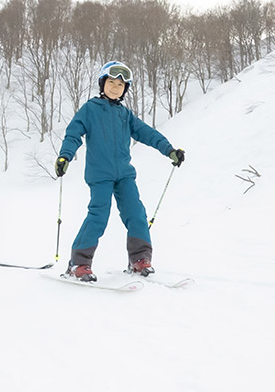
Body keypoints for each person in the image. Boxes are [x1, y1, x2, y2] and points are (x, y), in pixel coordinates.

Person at [54, 60, 184, 282]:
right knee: (99, 215)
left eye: (121, 85)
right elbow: (73, 133)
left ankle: (139, 259)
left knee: (136, 213)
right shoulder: (90, 109)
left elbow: (147, 133)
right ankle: (79, 263)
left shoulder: (125, 115)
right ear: (102, 83)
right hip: (100, 174)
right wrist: (65, 155)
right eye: (111, 82)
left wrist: (169, 150)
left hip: (124, 174)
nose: (115, 88)